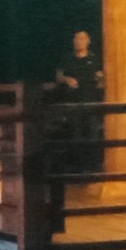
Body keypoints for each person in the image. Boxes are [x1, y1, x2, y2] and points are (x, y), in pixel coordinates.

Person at [52, 29, 104, 174]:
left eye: (81, 39)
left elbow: (102, 78)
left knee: (93, 134)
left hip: (91, 102)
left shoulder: (95, 59)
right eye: (76, 39)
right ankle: (79, 167)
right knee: (76, 134)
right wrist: (67, 79)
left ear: (88, 41)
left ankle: (93, 167)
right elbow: (58, 76)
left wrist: (101, 79)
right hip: (74, 103)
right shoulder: (68, 59)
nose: (78, 41)